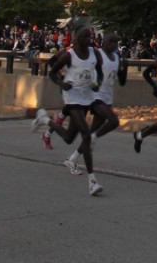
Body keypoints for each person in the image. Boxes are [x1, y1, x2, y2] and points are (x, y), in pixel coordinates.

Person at [32, 27, 104, 196]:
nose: (89, 39)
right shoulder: (69, 55)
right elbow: (52, 73)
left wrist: (97, 83)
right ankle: (92, 181)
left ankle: (45, 120)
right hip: (72, 97)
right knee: (86, 135)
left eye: (90, 36)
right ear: (77, 39)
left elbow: (100, 73)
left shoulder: (95, 53)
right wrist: (61, 83)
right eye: (85, 37)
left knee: (69, 137)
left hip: (86, 97)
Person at [64, 32, 128, 175]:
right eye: (111, 41)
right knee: (113, 121)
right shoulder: (97, 54)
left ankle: (72, 158)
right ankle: (93, 138)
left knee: (91, 133)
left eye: (116, 42)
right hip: (95, 97)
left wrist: (125, 68)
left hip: (107, 99)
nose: (113, 45)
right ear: (103, 42)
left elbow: (122, 82)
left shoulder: (117, 58)